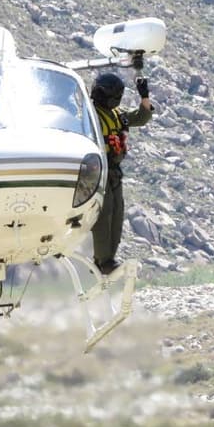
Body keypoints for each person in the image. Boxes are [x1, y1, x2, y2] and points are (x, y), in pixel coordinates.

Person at [89, 70, 153, 275]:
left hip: (114, 171)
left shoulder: (117, 115)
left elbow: (141, 117)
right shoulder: (89, 115)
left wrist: (144, 95)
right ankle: (102, 260)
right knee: (104, 213)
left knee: (117, 213)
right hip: (98, 170)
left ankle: (109, 259)